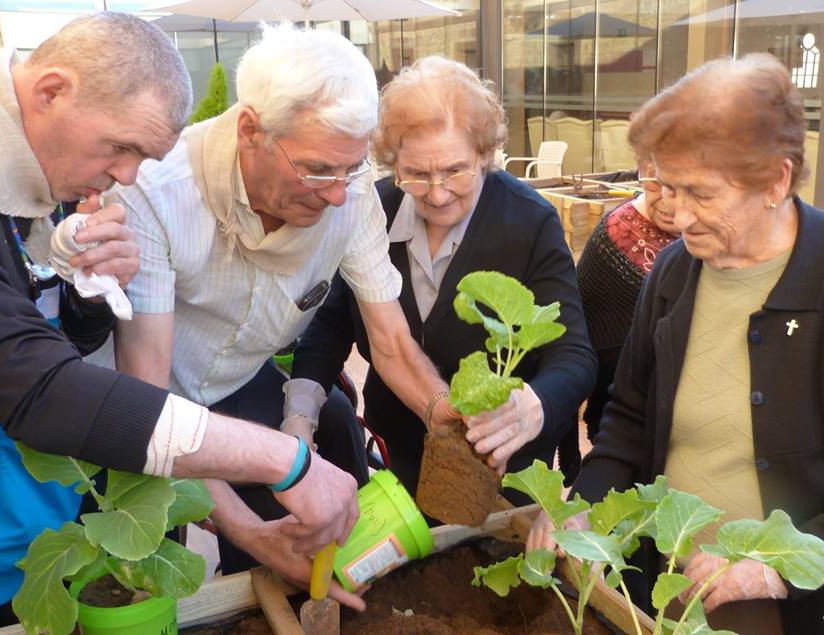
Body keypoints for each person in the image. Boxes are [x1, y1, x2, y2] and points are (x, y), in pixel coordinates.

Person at [0, 14, 359, 633]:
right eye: (122, 148)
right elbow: (34, 385)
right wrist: (287, 459)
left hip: (4, 530)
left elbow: (52, 338)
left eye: (142, 158)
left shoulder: (24, 173)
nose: (128, 176)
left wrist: (87, 296)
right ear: (52, 91)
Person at [114, 26, 466, 591]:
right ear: (250, 129)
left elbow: (393, 344)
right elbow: (152, 407)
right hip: (141, 397)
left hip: (236, 377)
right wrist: (250, 532)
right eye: (315, 169)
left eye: (350, 169)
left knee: (330, 426)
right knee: (146, 549)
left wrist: (444, 413)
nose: (336, 193)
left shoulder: (349, 195)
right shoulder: (158, 192)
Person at [528, 54, 824, 634]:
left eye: (701, 194)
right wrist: (584, 502)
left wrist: (772, 569)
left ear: (776, 180)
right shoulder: (674, 273)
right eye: (666, 185)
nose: (677, 214)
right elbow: (630, 416)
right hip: (666, 585)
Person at [290, 56, 596, 505]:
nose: (436, 192)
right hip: (400, 453)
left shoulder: (529, 222)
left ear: (485, 154)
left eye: (456, 170)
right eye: (415, 173)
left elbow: (574, 355)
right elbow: (332, 324)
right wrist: (301, 411)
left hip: (501, 468)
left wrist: (535, 405)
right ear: (392, 159)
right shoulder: (374, 211)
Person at [557, 161, 679, 480]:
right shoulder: (616, 235)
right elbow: (576, 337)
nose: (667, 200)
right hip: (623, 423)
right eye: (654, 182)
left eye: (681, 187)